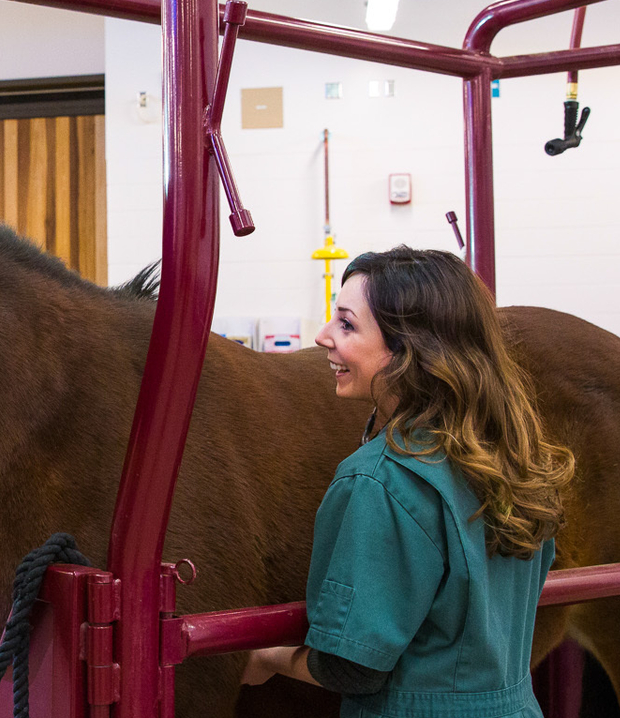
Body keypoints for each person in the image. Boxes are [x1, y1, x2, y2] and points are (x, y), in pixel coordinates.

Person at [240, 247, 575, 718]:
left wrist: (267, 657)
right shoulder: (514, 461)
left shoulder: (379, 481)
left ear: (407, 350)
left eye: (347, 324)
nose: (322, 337)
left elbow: (353, 667)